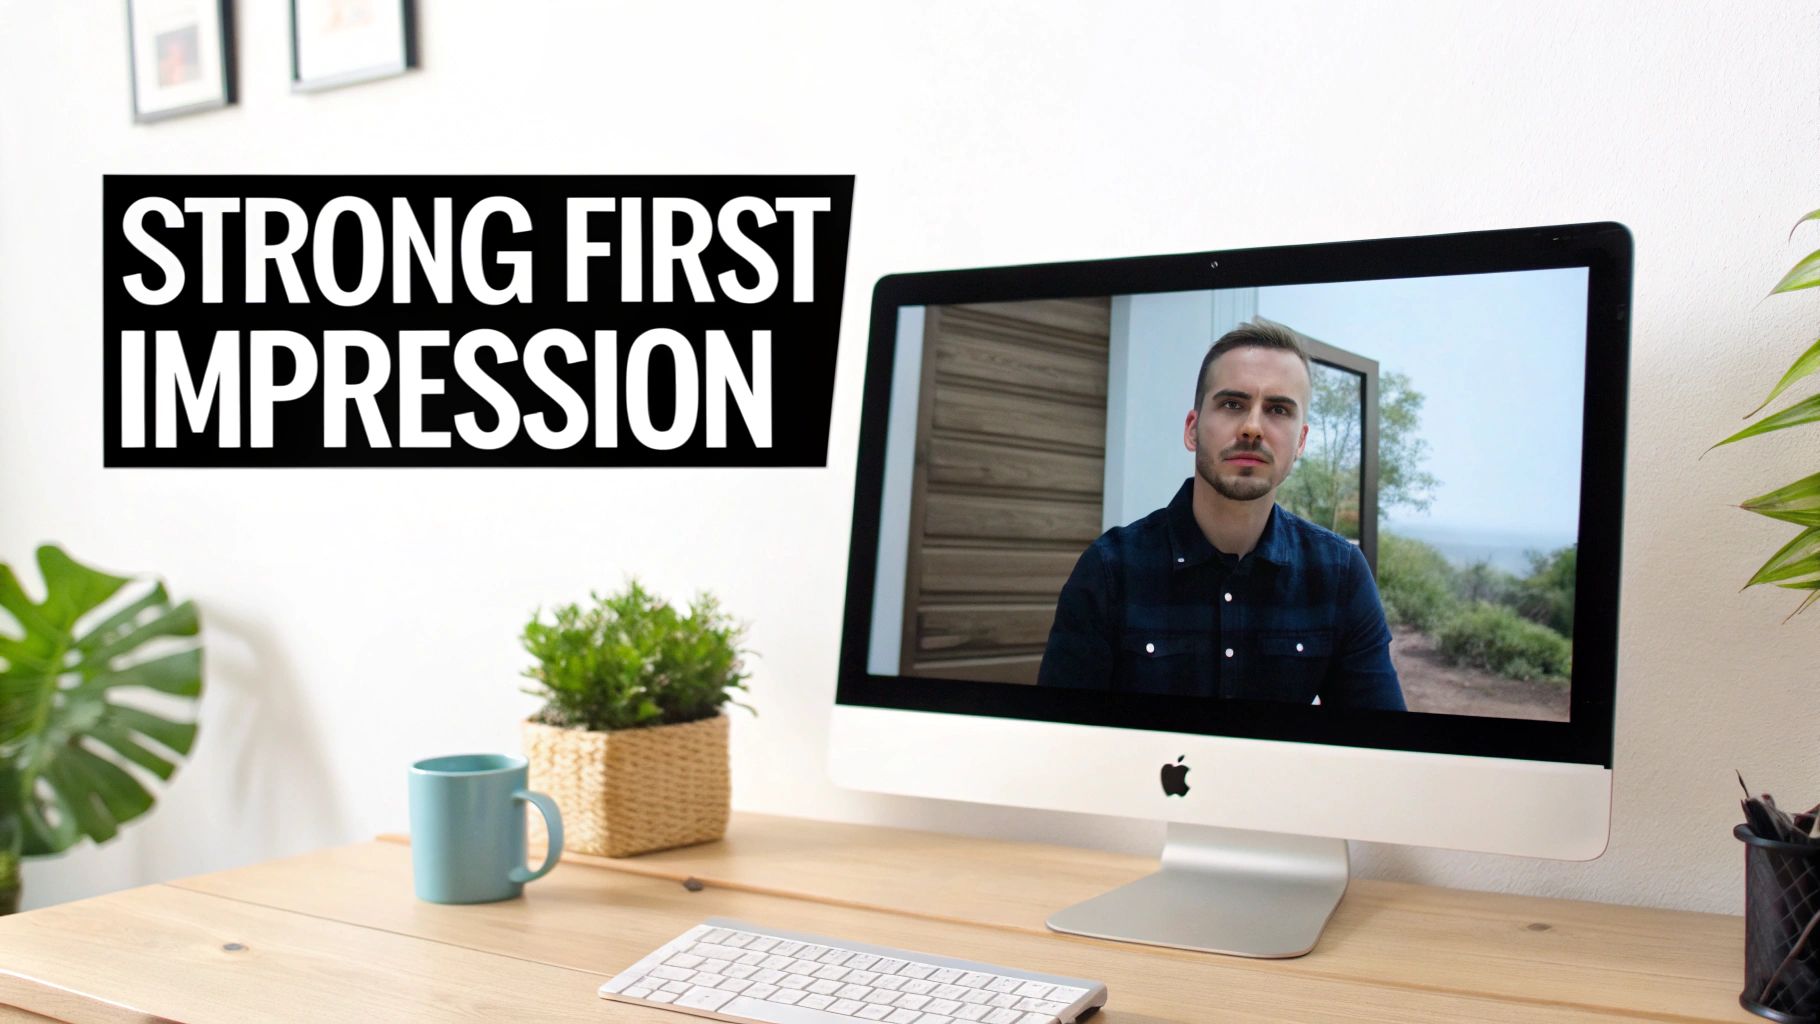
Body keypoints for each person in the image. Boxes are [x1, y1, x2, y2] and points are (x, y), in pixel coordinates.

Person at [1038, 319, 1405, 710]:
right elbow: (1062, 737)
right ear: (1192, 429)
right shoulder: (1109, 570)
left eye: (1278, 409)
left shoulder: (1340, 573)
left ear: (1300, 442)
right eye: (1233, 404)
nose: (1252, 428)